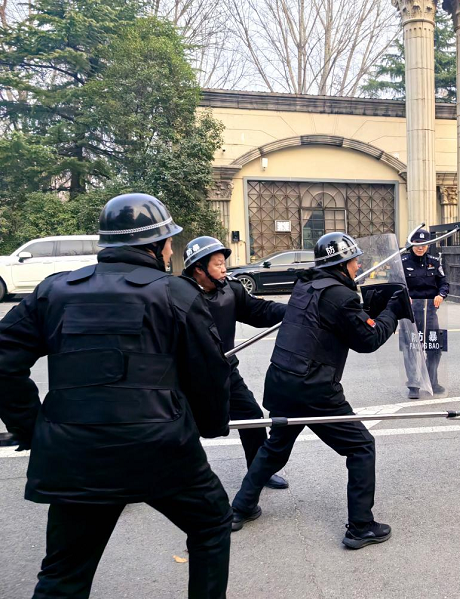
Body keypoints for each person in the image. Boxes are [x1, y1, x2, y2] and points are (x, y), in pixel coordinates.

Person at [0, 193, 234, 599]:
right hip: (161, 452)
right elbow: (210, 375)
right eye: (169, 242)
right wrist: (211, 428)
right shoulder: (177, 295)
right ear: (157, 246)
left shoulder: (53, 292)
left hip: (76, 455)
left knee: (64, 574)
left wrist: (33, 429)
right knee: (212, 524)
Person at [230, 232, 410, 550]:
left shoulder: (306, 284)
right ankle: (360, 527)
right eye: (354, 261)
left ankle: (239, 509)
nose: (358, 266)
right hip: (313, 388)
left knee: (275, 448)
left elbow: (332, 318)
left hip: (282, 380)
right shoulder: (341, 296)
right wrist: (392, 313)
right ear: (342, 264)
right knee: (361, 447)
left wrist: (370, 306)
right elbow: (367, 341)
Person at [181, 236, 288, 489]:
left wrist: (296, 309)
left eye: (223, 263)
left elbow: (259, 311)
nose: (224, 269)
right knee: (178, 427)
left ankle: (258, 471)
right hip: (187, 378)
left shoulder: (231, 289)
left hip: (225, 370)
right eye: (218, 264)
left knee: (251, 417)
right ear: (198, 268)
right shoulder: (176, 296)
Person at [401, 229, 449, 399]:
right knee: (411, 348)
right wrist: (404, 296)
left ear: (428, 245)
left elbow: (444, 283)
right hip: (410, 312)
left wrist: (440, 295)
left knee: (435, 348)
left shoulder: (435, 262)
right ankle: (413, 385)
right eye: (417, 244)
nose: (420, 248)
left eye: (423, 245)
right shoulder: (403, 261)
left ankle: (432, 381)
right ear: (412, 244)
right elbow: (396, 284)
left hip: (429, 311)